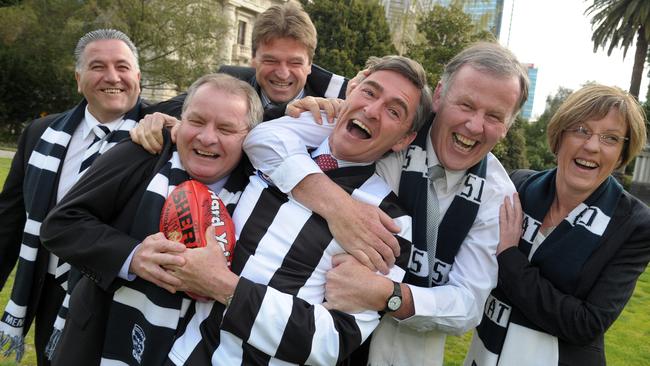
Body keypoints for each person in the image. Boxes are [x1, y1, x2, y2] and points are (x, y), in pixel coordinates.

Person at [243, 41, 529, 365]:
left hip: (408, 354)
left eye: (494, 116)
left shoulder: (496, 198)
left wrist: (388, 295)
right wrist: (339, 207)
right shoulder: (386, 120)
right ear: (439, 96)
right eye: (465, 105)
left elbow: (467, 304)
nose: (474, 125)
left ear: (507, 127)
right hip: (309, 327)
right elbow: (265, 140)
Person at [162, 55, 430, 365]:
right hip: (184, 354)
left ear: (404, 139)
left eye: (394, 111)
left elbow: (330, 344)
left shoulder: (392, 223)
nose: (371, 110)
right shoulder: (279, 143)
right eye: (369, 92)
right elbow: (250, 134)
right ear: (350, 92)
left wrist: (225, 288)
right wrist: (339, 208)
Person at [39, 73, 262, 365]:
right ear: (180, 121)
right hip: (100, 341)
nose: (207, 137)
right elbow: (61, 224)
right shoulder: (142, 153)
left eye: (226, 128)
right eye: (196, 121)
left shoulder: (260, 190)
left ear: (250, 137)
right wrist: (132, 257)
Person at [465, 84, 650, 366]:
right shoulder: (516, 187)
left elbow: (585, 324)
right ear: (559, 136)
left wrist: (510, 258)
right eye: (581, 130)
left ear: (622, 155)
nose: (591, 146)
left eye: (610, 138)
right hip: (485, 351)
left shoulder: (634, 224)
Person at [0, 28, 142, 365]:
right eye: (97, 67)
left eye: (122, 67)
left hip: (117, 296)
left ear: (138, 76)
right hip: (49, 291)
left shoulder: (160, 136)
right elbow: (11, 217)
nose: (112, 77)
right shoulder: (40, 134)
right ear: (79, 79)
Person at [136, 0, 347, 146]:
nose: (283, 74)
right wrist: (166, 121)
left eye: (294, 63)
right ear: (253, 59)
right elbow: (169, 108)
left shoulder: (334, 101)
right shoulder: (231, 80)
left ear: (310, 65)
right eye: (271, 60)